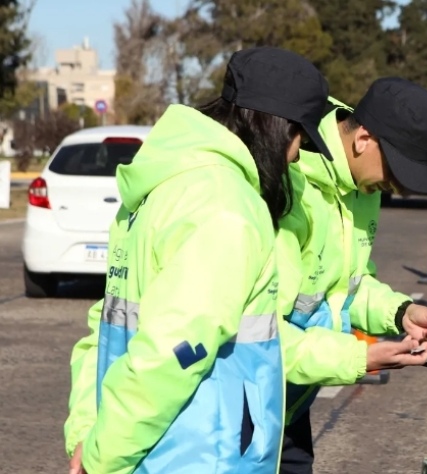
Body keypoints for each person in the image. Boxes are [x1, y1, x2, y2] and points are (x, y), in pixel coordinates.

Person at [64, 46, 337, 474]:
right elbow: (172, 352)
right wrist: (101, 456)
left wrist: (89, 432)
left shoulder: (164, 183)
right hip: (199, 455)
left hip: (138, 446)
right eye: (299, 137)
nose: (297, 155)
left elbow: (102, 329)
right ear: (275, 128)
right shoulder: (226, 208)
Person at [276, 77, 427, 474]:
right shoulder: (289, 188)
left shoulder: (361, 190)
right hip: (244, 404)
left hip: (291, 404)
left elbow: (348, 286)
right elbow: (260, 333)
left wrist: (402, 312)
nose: (395, 187)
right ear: (364, 139)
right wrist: (361, 357)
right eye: (396, 170)